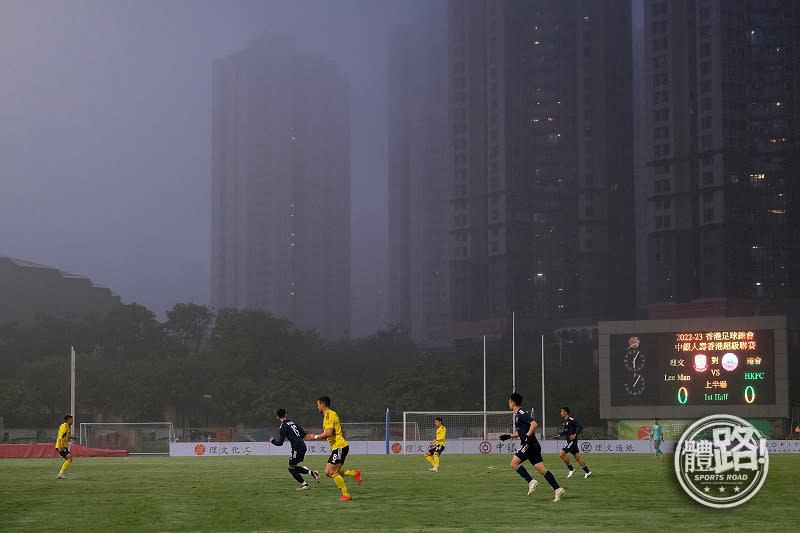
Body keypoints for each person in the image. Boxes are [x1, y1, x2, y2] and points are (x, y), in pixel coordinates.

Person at [499, 393, 565, 502]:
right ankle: (558, 489)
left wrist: (527, 437)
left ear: (513, 402)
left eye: (509, 401)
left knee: (514, 464)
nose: (508, 404)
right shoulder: (518, 415)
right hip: (533, 445)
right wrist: (509, 436)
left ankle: (531, 481)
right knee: (541, 469)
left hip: (529, 445)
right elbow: (522, 432)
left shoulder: (521, 413)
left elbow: (534, 424)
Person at [305, 396, 361, 500]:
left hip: (340, 447)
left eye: (318, 405)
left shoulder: (329, 415)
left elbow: (329, 433)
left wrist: (315, 436)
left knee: (332, 472)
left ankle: (346, 494)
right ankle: (354, 473)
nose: (317, 407)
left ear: (323, 404)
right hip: (338, 447)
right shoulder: (329, 415)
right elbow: (338, 429)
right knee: (328, 472)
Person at [269, 408, 320, 490]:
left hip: (297, 448)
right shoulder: (292, 422)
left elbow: (280, 443)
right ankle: (312, 473)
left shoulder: (283, 427)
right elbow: (303, 434)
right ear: (286, 414)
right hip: (302, 445)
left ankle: (305, 484)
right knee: (293, 466)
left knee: (291, 468)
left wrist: (272, 441)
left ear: (277, 417)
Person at [551, 407, 591, 478]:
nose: (561, 413)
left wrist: (575, 435)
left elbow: (580, 427)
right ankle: (587, 471)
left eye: (562, 411)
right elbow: (565, 432)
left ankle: (571, 470)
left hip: (572, 441)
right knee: (577, 457)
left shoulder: (572, 420)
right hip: (569, 441)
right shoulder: (564, 422)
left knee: (561, 454)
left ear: (566, 412)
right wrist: (558, 436)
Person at [55, 414, 77, 479]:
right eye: (72, 420)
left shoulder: (67, 427)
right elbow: (60, 437)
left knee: (69, 459)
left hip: (62, 446)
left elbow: (65, 436)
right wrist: (59, 447)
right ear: (68, 420)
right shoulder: (64, 426)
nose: (72, 421)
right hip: (61, 446)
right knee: (69, 458)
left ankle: (61, 473)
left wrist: (71, 437)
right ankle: (60, 473)